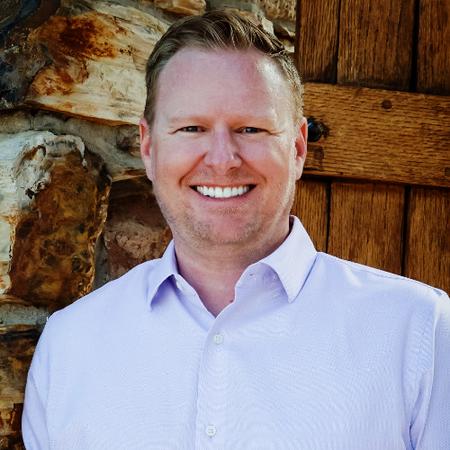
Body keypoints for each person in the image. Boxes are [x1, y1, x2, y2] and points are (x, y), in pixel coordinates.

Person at [22, 10, 449, 450]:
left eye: (251, 128)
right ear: (148, 147)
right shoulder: (69, 346)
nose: (223, 160)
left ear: (298, 148)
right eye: (192, 128)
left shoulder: (418, 332)